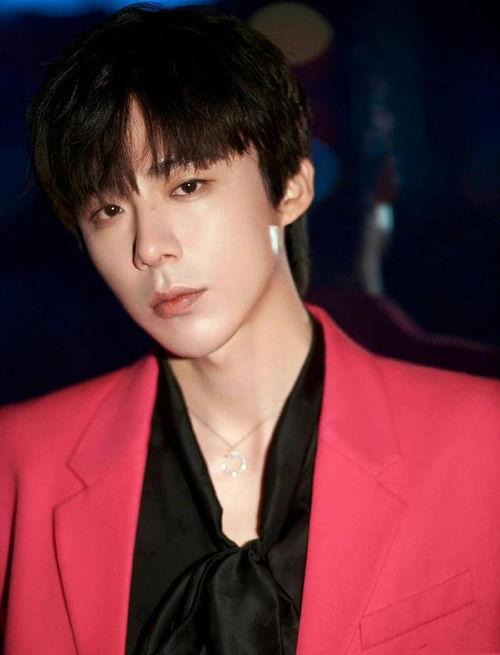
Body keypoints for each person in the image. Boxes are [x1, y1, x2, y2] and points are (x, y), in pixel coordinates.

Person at [1, 4, 500, 654]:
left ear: (290, 188)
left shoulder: (481, 440)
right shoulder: (20, 462)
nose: (149, 248)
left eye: (187, 185)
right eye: (109, 209)